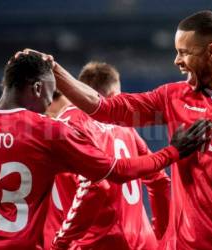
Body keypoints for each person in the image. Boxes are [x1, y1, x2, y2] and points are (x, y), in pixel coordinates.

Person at [26, 9, 212, 250]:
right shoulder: (173, 96)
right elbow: (105, 109)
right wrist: (54, 70)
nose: (177, 61)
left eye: (184, 53)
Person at [0, 52, 209, 250]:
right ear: (37, 88)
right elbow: (116, 172)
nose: (48, 106)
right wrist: (172, 152)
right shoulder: (50, 132)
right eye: (50, 95)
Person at [43, 62, 171, 250]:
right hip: (144, 243)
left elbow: (94, 187)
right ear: (113, 95)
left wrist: (61, 242)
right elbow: (160, 181)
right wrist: (160, 236)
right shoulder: (125, 127)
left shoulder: (65, 125)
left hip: (97, 244)